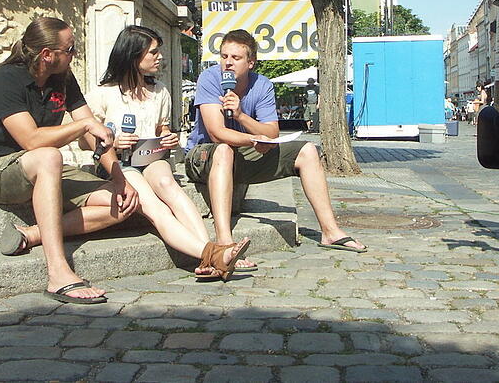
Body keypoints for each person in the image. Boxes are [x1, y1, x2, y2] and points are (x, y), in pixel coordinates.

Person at [0, 17, 132, 304]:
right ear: (48, 55)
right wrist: (83, 127)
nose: (74, 55)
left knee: (123, 203)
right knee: (48, 155)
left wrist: (119, 179)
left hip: (45, 170)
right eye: (70, 49)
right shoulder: (6, 79)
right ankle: (57, 273)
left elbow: (95, 131)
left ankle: (31, 235)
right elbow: (31, 141)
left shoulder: (63, 78)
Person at [184, 29, 366, 265]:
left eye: (235, 58)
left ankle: (330, 231)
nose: (227, 63)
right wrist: (254, 139)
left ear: (250, 62)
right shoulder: (209, 78)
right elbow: (217, 134)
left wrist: (241, 117)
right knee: (224, 149)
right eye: (224, 56)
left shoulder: (262, 85)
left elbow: (272, 132)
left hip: (244, 155)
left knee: (308, 150)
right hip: (204, 155)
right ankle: (224, 243)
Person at [86, 25, 250, 280]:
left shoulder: (160, 91)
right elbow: (85, 141)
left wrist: (167, 136)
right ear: (133, 56)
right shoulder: (103, 93)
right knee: (151, 203)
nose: (159, 57)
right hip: (118, 163)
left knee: (169, 186)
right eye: (153, 52)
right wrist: (113, 142)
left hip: (151, 157)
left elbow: (162, 128)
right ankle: (211, 254)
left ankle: (211, 252)